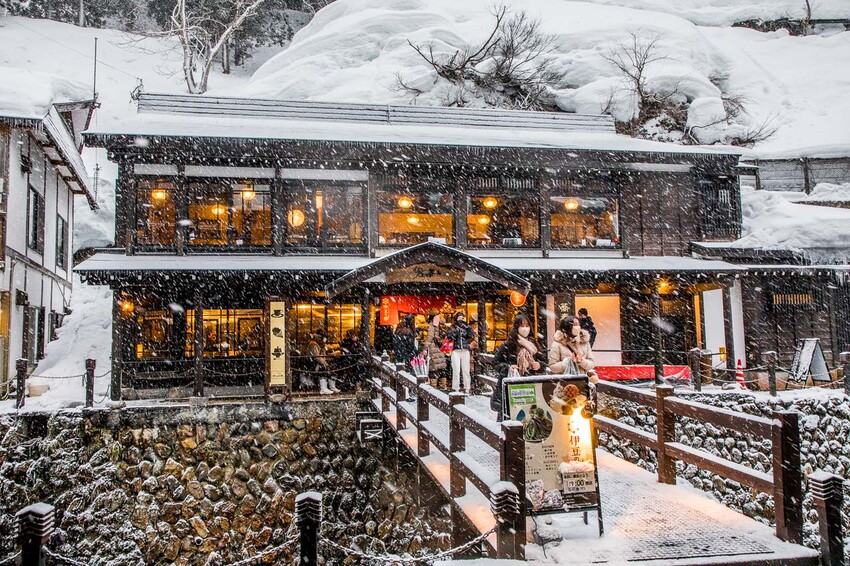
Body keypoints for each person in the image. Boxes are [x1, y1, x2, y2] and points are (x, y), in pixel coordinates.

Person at [490, 314, 547, 420]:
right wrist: (508, 367)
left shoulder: (533, 344)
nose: (525, 328)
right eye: (522, 326)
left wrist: (539, 365)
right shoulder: (509, 344)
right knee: (512, 416)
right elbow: (495, 362)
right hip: (513, 387)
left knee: (529, 417)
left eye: (527, 325)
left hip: (530, 386)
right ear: (516, 327)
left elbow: (543, 362)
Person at [549, 315, 597, 382]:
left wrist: (581, 361)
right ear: (567, 327)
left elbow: (591, 364)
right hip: (565, 383)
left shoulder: (584, 342)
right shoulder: (557, 344)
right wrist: (567, 362)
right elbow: (552, 367)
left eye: (578, 324)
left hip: (583, 382)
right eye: (575, 325)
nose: (577, 327)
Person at [447, 311, 475, 393]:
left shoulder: (466, 326)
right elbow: (450, 337)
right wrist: (456, 331)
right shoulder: (452, 327)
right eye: (459, 318)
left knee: (466, 370)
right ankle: (456, 387)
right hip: (455, 350)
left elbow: (471, 336)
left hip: (465, 350)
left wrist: (467, 328)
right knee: (456, 370)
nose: (461, 320)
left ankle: (467, 387)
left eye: (462, 318)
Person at [307, 329, 339, 395]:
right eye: (324, 338)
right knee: (323, 368)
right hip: (312, 363)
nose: (325, 340)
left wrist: (329, 357)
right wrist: (325, 363)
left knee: (333, 366)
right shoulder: (313, 344)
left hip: (318, 362)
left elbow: (323, 355)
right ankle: (323, 388)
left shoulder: (321, 345)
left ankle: (332, 386)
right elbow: (317, 356)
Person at [424, 309, 448, 389]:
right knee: (441, 367)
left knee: (433, 368)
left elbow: (430, 337)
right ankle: (443, 386)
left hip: (434, 348)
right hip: (441, 347)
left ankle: (433, 387)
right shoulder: (442, 323)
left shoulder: (432, 324)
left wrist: (425, 348)